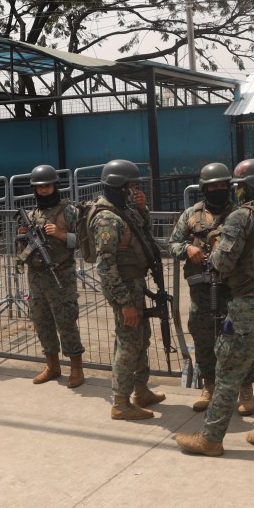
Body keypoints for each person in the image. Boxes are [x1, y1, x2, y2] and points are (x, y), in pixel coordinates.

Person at [175, 158, 254, 456]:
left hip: (249, 305)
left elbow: (221, 262)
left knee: (228, 372)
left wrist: (217, 247)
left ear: (243, 188)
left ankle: (211, 439)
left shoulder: (240, 217)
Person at [168, 162, 254, 414]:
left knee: (238, 339)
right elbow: (172, 244)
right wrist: (188, 249)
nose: (218, 189)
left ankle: (245, 389)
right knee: (204, 340)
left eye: (222, 185)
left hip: (234, 290)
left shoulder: (241, 213)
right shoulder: (191, 215)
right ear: (204, 189)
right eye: (212, 186)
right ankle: (209, 386)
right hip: (202, 292)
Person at [89, 159, 166, 420]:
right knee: (128, 342)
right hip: (123, 287)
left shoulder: (126, 209)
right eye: (130, 185)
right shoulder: (108, 219)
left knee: (140, 338)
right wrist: (125, 303)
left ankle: (141, 390)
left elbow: (142, 233)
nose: (134, 190)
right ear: (117, 185)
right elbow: (105, 267)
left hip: (135, 283)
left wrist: (143, 209)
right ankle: (120, 403)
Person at [14, 164, 85, 388]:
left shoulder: (69, 211)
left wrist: (62, 235)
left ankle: (76, 368)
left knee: (66, 322)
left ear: (55, 186)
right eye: (39, 187)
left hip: (61, 274)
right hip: (36, 276)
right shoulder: (32, 214)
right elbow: (21, 247)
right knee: (41, 321)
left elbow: (84, 241)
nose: (44, 191)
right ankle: (52, 365)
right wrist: (23, 236)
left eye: (47, 186)